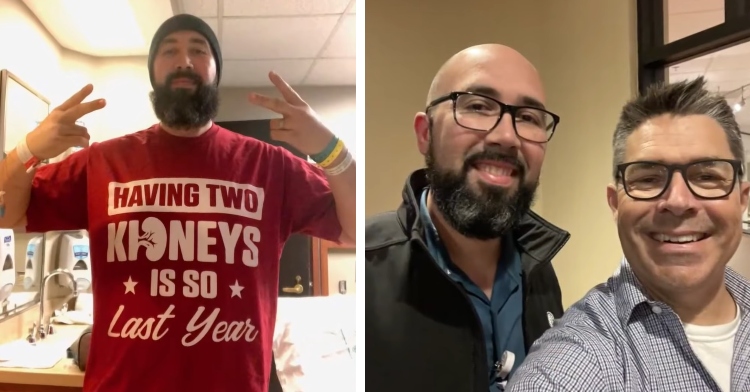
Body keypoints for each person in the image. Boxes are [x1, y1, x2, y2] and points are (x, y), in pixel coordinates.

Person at [0, 13, 355, 392]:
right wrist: (27, 149)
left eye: (198, 50)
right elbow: (9, 215)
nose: (184, 60)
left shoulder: (271, 165)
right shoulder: (102, 162)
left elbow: (351, 231)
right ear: (154, 73)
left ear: (216, 71)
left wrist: (331, 149)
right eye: (169, 50)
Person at [506, 76, 750, 392]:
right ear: (615, 203)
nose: (677, 202)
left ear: (742, 200)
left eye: (706, 176)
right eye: (648, 179)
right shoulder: (572, 362)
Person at [365, 43, 569, 392]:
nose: (507, 137)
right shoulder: (368, 270)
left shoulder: (538, 268)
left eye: (528, 118)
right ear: (425, 134)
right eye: (477, 106)